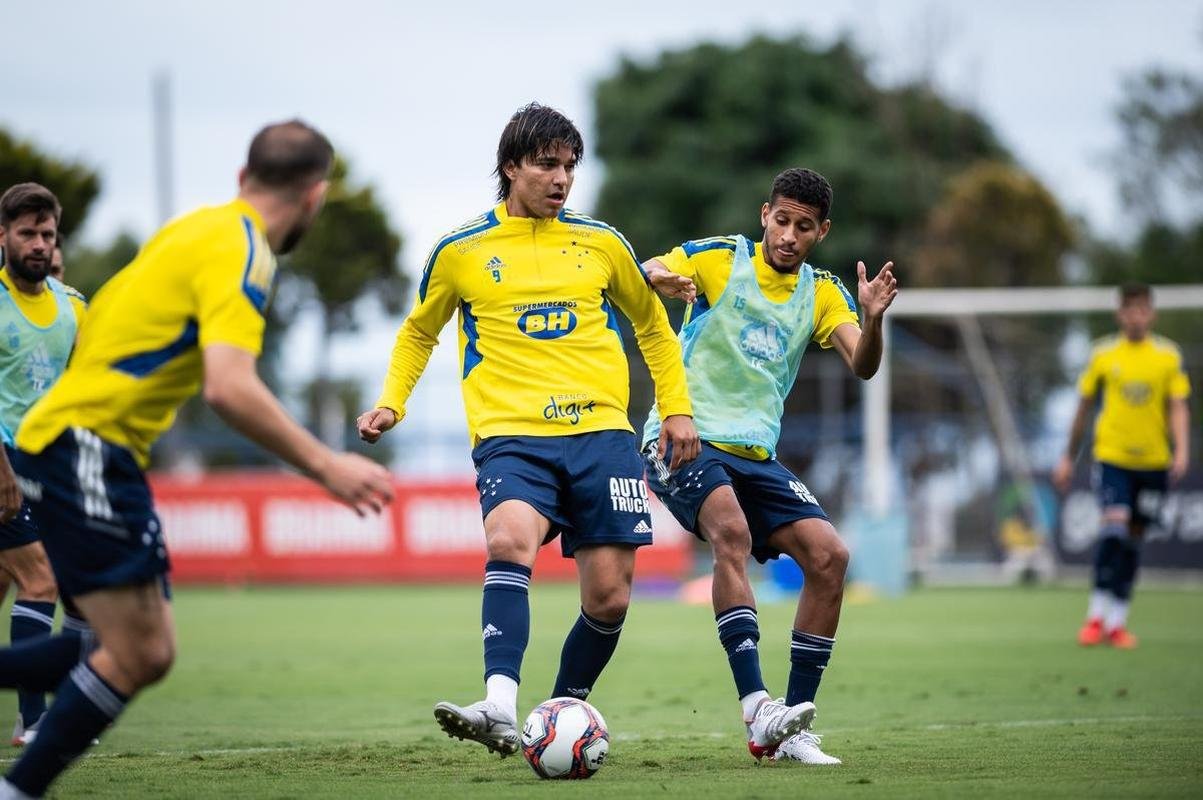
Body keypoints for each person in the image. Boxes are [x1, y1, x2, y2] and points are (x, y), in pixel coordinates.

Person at [0, 120, 395, 799]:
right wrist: (327, 466)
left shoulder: (195, 228)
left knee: (142, 648)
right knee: (133, 651)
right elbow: (229, 386)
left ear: (244, 180)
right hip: (85, 445)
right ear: (315, 197)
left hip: (78, 444)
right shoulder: (247, 252)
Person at [357, 102, 699, 757]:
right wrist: (390, 404)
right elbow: (418, 331)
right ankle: (498, 704)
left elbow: (652, 326)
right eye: (547, 164)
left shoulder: (602, 243)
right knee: (508, 538)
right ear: (510, 166)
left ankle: (555, 716)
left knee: (609, 598)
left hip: (602, 436)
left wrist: (676, 408)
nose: (561, 178)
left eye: (570, 166)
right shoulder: (460, 251)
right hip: (511, 437)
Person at [641, 168, 897, 765]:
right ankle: (758, 708)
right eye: (781, 220)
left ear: (821, 232)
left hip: (756, 456)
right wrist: (660, 275)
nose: (788, 235)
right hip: (685, 438)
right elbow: (648, 268)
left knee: (830, 556)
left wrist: (875, 317)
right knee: (731, 530)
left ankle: (795, 727)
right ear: (764, 215)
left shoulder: (823, 291)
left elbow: (863, 364)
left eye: (803, 226)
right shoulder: (718, 259)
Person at [0, 185, 92, 747]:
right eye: (27, 233)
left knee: (37, 580)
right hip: (2, 463)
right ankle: (34, 722)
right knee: (41, 579)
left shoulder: (74, 308)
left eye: (47, 235)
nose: (38, 244)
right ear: (2, 236)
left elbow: (82, 394)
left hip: (49, 464)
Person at [1053, 283, 1191, 649]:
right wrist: (1068, 456)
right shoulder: (1102, 354)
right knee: (1113, 531)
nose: (1135, 315)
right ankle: (1095, 616)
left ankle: (1117, 621)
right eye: (1129, 309)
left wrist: (1182, 451)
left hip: (1153, 461)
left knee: (1132, 542)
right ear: (1120, 314)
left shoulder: (1167, 357)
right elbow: (1083, 407)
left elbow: (1177, 406)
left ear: (1151, 313)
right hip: (1112, 456)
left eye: (1142, 309)